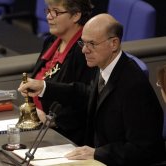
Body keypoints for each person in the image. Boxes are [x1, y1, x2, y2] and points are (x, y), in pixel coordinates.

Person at [18, 13, 166, 165]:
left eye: (92, 44)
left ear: (114, 43)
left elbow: (146, 149)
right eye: (83, 43)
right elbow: (87, 93)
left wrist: (97, 153)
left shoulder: (133, 85)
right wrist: (44, 87)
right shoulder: (104, 65)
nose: (84, 51)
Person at [22, 0, 96, 146]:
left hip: (66, 138)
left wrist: (53, 120)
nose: (49, 16)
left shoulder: (85, 50)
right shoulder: (50, 41)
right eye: (48, 11)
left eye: (56, 11)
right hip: (38, 130)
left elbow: (88, 97)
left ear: (75, 15)